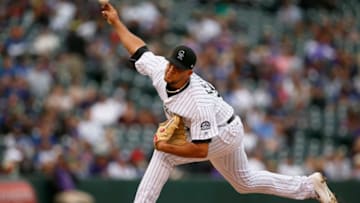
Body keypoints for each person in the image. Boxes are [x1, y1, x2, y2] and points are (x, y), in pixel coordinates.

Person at [100, 3, 337, 203]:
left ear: (189, 73)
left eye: (178, 68)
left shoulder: (197, 101)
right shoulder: (162, 69)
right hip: (226, 124)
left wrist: (166, 147)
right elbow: (140, 50)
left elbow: (201, 149)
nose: (171, 69)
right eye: (172, 63)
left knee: (165, 156)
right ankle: (308, 186)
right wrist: (117, 22)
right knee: (244, 182)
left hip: (222, 132)